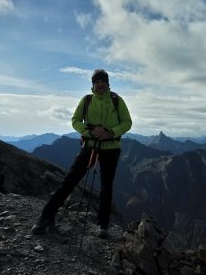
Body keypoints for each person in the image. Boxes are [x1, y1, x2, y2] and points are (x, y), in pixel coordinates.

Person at [32, 69, 132, 238]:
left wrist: (111, 133)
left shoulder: (116, 100)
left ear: (107, 83)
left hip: (111, 148)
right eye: (96, 82)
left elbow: (127, 122)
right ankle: (45, 218)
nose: (99, 84)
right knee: (69, 181)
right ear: (93, 84)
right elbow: (75, 120)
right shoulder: (87, 100)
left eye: (102, 81)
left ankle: (103, 226)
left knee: (106, 187)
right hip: (90, 147)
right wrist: (88, 131)